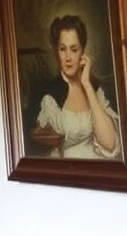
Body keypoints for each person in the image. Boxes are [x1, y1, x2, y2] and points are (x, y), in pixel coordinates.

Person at [29, 14, 121, 159]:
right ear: (56, 52)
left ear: (83, 52)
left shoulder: (95, 89)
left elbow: (109, 144)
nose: (68, 58)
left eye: (74, 49)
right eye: (62, 49)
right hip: (70, 172)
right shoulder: (49, 96)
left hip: (101, 167)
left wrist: (87, 85)